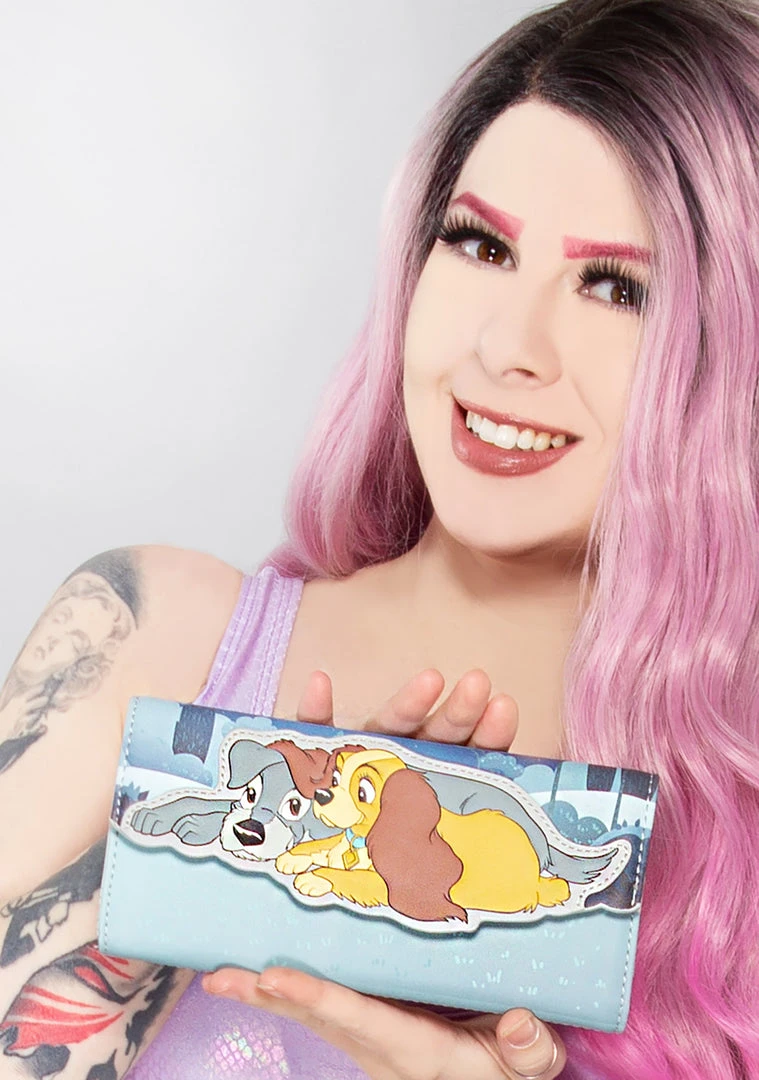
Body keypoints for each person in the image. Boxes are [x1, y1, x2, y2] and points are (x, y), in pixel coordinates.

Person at [1, 0, 757, 1076]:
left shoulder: (735, 821)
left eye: (614, 287)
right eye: (481, 244)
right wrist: (222, 883)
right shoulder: (160, 636)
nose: (508, 346)